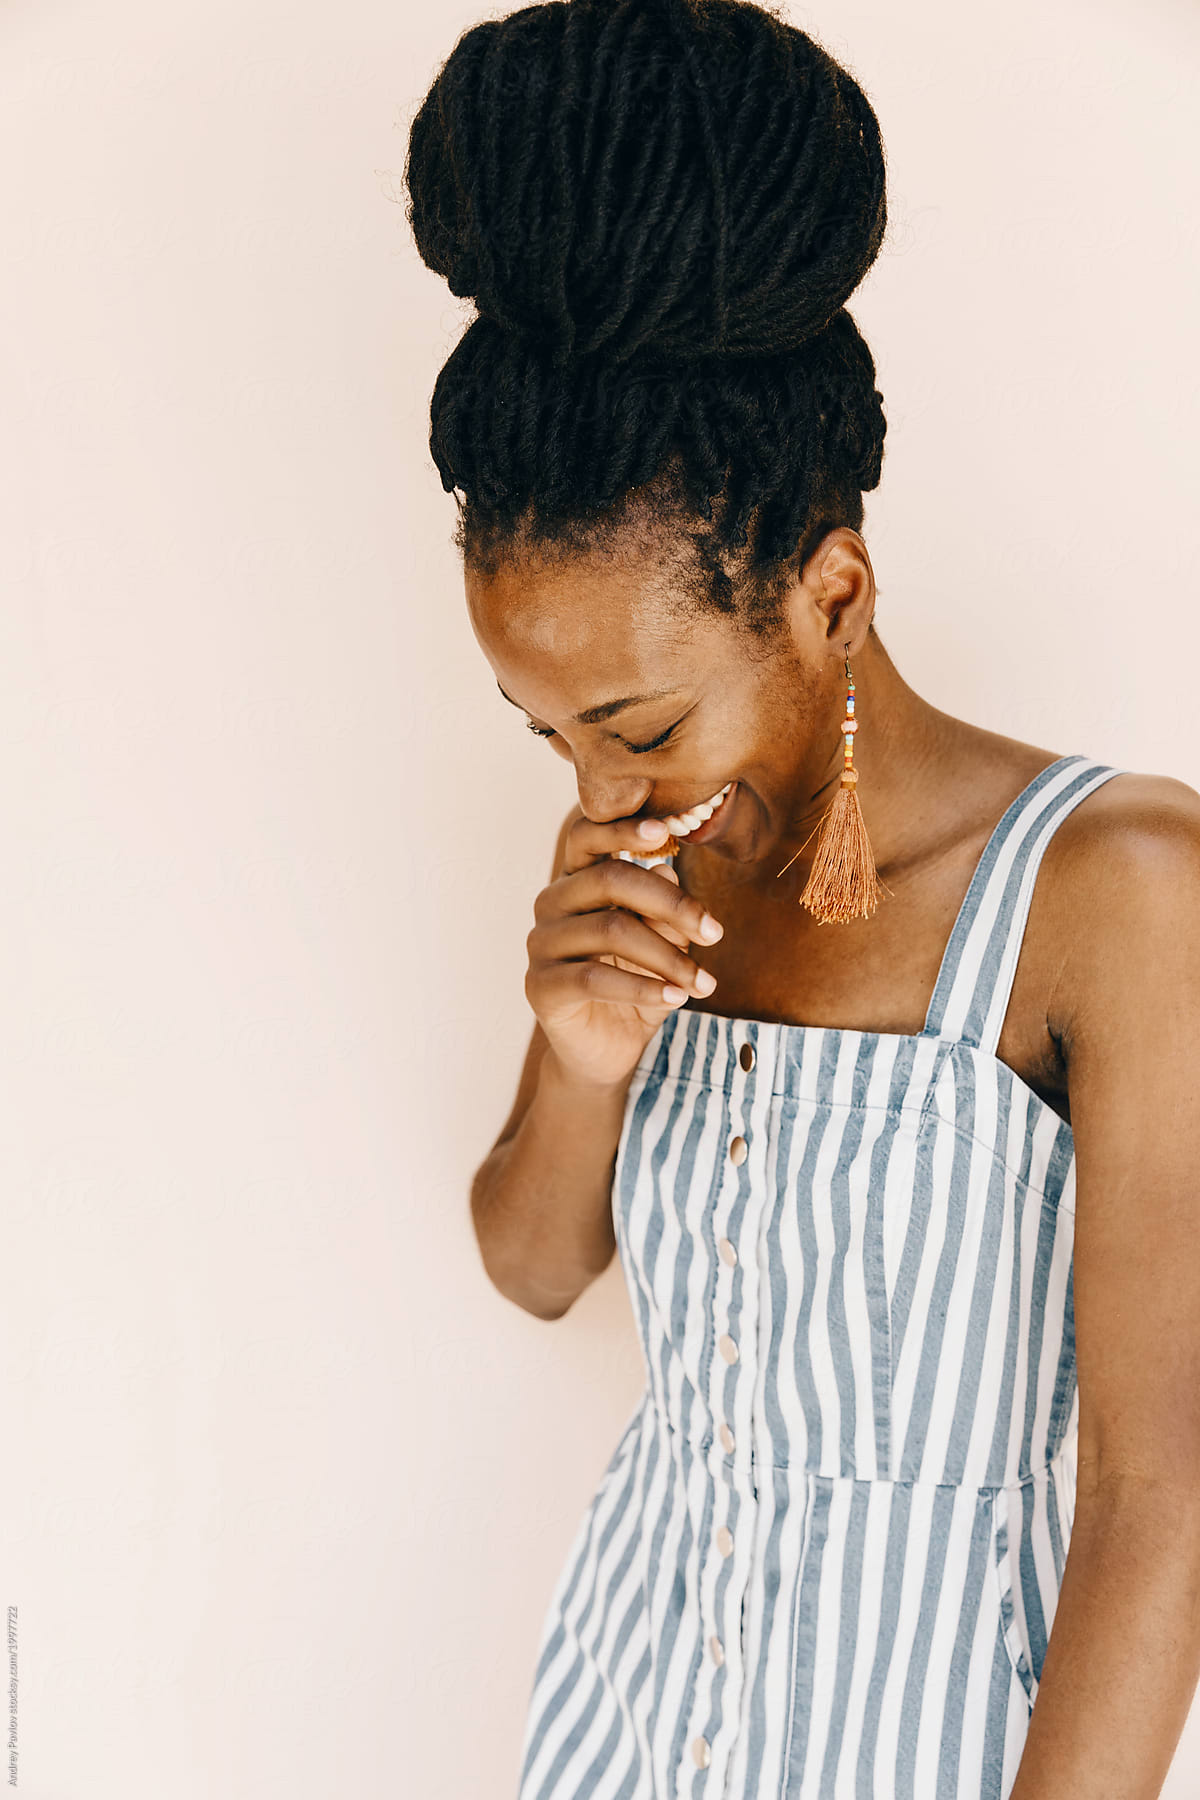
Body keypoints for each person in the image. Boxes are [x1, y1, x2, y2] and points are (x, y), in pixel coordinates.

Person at [404, 2, 1200, 1796]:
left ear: (831, 592)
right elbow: (533, 1267)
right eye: (543, 733)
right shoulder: (646, 866)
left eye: (635, 722)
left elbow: (1164, 1498)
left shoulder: (1116, 886)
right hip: (611, 1742)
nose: (600, 792)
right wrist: (581, 1052)